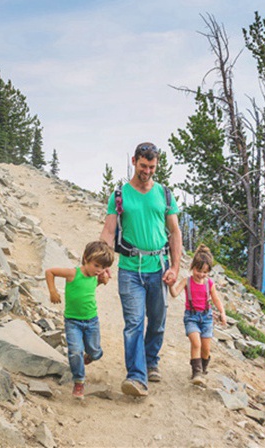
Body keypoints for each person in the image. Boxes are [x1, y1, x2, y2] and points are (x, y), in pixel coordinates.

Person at [100, 141, 182, 397]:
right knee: (134, 323)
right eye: (143, 166)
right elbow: (109, 231)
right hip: (129, 268)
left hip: (158, 267)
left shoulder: (165, 194)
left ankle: (150, 360)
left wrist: (176, 267)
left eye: (152, 167)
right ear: (134, 161)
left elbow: (175, 231)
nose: (147, 171)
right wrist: (102, 264)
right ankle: (136, 376)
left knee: (157, 321)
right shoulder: (119, 196)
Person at [45, 240, 114, 399]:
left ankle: (88, 357)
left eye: (103, 267)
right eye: (96, 265)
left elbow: (94, 286)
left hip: (92, 321)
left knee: (95, 353)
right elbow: (50, 271)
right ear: (86, 258)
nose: (99, 270)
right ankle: (79, 381)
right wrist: (53, 291)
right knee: (75, 351)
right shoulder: (73, 273)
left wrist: (105, 279)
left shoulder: (96, 276)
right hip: (73, 322)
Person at [169, 245, 227, 385]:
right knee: (196, 343)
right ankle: (196, 373)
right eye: (198, 270)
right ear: (192, 267)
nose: (201, 274)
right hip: (191, 318)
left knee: (206, 349)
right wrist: (170, 285)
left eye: (205, 272)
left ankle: (203, 369)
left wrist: (222, 312)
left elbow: (216, 299)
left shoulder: (209, 284)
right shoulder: (187, 281)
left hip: (206, 318)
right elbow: (175, 294)